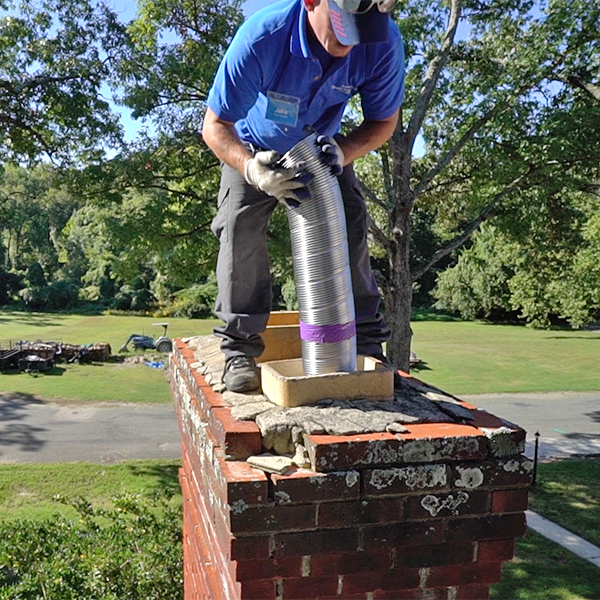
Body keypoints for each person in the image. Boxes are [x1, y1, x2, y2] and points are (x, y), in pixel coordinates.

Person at [202, 0, 405, 393]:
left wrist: (345, 152)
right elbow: (215, 125)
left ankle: (365, 344)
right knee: (238, 231)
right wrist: (251, 169)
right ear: (312, 2)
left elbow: (384, 122)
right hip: (254, 146)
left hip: (321, 148)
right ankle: (239, 350)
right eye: (344, 29)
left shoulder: (381, 42)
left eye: (363, 31)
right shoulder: (263, 38)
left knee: (351, 226)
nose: (352, 45)